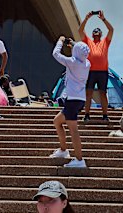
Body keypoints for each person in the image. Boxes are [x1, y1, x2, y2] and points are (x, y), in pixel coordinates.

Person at [49, 36, 90, 168]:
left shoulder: (72, 62)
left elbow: (55, 54)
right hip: (80, 99)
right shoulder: (87, 63)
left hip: (72, 100)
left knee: (73, 130)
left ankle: (79, 159)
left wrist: (60, 41)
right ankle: (63, 150)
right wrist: (72, 43)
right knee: (57, 121)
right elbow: (80, 51)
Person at [78, 10, 113, 122]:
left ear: (101, 34)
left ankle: (105, 115)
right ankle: (87, 114)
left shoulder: (105, 42)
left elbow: (111, 30)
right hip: (91, 71)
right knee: (88, 93)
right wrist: (86, 18)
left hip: (102, 71)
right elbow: (80, 30)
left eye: (98, 31)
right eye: (94, 31)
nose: (96, 32)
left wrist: (103, 19)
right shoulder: (88, 41)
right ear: (92, 34)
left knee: (103, 93)